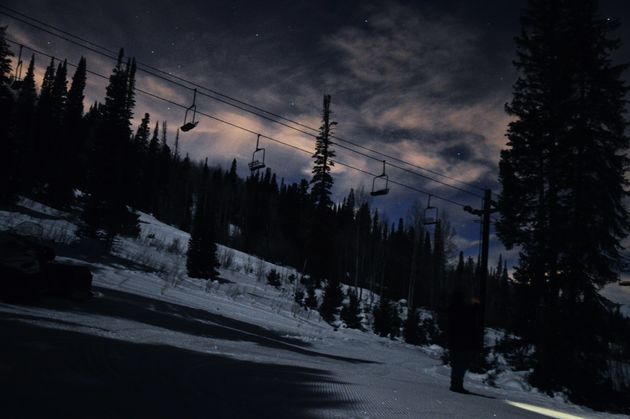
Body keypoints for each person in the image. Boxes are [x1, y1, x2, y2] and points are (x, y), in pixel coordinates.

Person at [448, 291, 481, 393]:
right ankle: (456, 385)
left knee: (459, 364)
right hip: (461, 342)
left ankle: (456, 385)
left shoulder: (460, 311)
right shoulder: (464, 312)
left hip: (459, 342)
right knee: (460, 364)